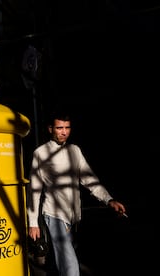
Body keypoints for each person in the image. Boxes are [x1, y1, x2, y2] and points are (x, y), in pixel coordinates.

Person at [27, 110, 126, 276]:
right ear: (50, 129)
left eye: (67, 127)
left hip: (74, 218)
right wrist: (33, 222)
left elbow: (89, 179)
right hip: (54, 215)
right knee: (70, 268)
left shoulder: (75, 150)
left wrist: (109, 200)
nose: (64, 132)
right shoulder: (40, 153)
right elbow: (34, 190)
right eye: (59, 128)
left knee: (60, 261)